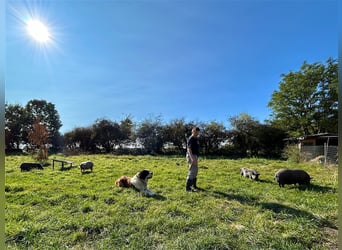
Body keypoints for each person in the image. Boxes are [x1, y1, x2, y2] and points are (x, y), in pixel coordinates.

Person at [186, 127, 201, 192]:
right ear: (193, 131)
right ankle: (188, 188)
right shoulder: (191, 139)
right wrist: (192, 158)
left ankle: (194, 185)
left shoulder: (196, 138)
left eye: (198, 132)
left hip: (195, 156)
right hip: (191, 156)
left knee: (195, 171)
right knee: (192, 171)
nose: (197, 133)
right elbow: (189, 149)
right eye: (195, 132)